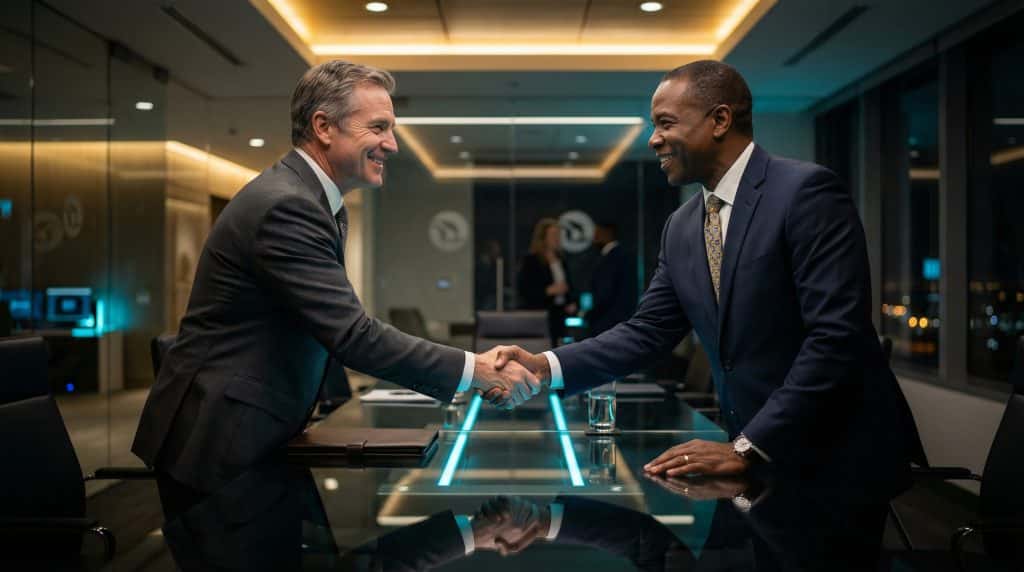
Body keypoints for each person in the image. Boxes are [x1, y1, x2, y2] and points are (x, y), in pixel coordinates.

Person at [493, 60, 924, 502]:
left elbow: (836, 337)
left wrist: (746, 445)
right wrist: (544, 366)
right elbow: (648, 331)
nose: (653, 138)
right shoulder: (681, 224)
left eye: (665, 123)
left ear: (719, 119)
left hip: (833, 459)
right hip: (750, 467)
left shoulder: (806, 193)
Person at [131, 61, 539, 508]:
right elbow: (352, 335)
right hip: (221, 441)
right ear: (324, 127)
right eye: (379, 127)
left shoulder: (312, 201)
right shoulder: (288, 206)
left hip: (248, 428)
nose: (393, 144)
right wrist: (474, 370)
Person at [517, 218, 577, 345]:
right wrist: (549, 290)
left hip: (560, 314)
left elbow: (569, 286)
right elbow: (524, 290)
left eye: (558, 235)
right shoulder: (531, 261)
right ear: (543, 238)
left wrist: (571, 301)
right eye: (553, 235)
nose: (557, 239)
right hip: (540, 315)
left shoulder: (562, 260)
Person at [586, 222, 635, 337]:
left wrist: (589, 314)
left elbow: (605, 293)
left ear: (607, 234)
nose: (594, 238)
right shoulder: (622, 255)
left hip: (608, 323)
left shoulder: (612, 258)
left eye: (597, 234)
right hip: (618, 321)